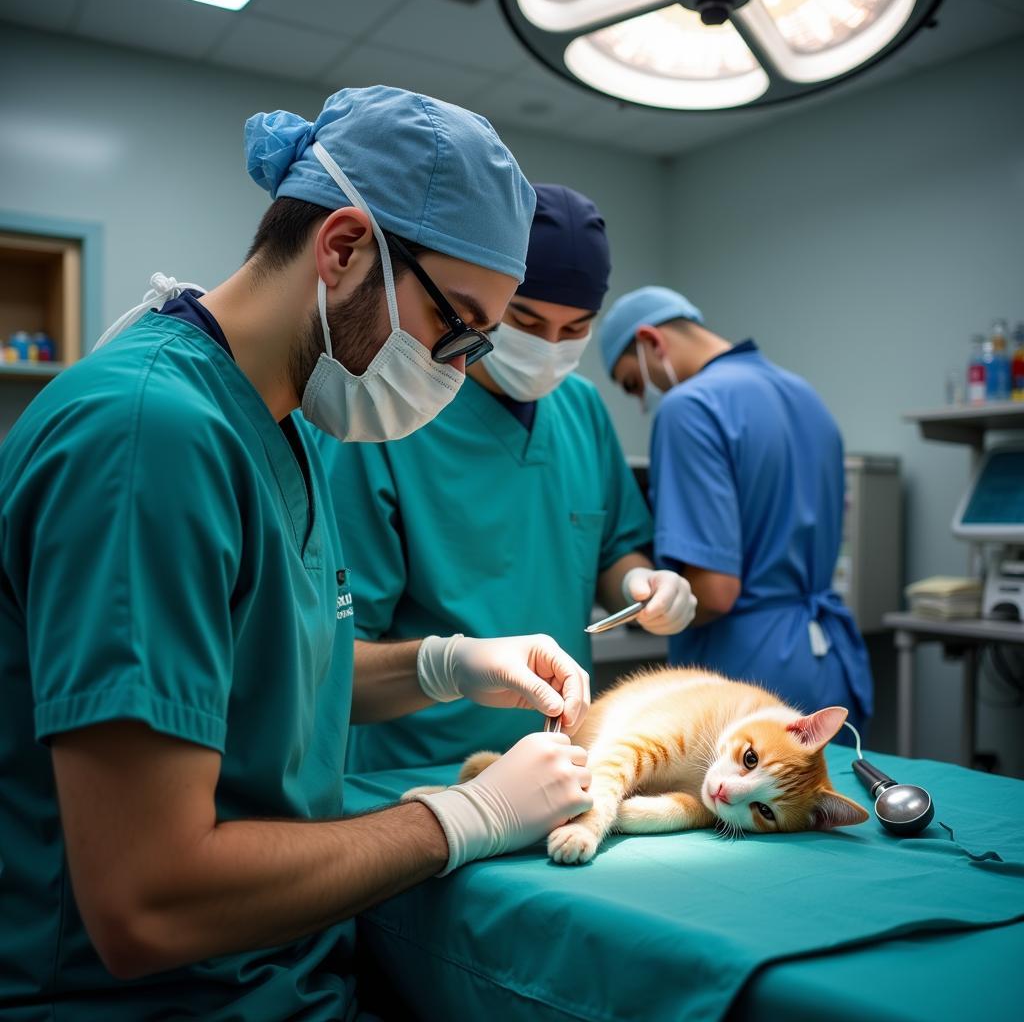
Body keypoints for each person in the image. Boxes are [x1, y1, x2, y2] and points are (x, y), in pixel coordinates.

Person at [0, 87, 595, 1021]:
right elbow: (146, 899)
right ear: (345, 247)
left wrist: (447, 665)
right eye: (456, 327)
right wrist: (460, 819)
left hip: (281, 976)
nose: (460, 369)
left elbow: (268, 672)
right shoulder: (149, 437)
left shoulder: (284, 417)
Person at [321, 184, 697, 773]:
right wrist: (450, 667)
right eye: (526, 319)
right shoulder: (390, 413)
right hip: (418, 772)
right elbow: (333, 661)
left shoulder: (581, 408)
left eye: (575, 330)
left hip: (562, 761)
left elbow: (612, 548)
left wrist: (640, 584)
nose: (549, 347)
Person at [599, 285, 873, 733]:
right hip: (826, 662)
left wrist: (654, 604)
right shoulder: (804, 395)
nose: (639, 399)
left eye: (632, 383)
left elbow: (714, 591)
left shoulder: (689, 409)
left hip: (746, 677)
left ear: (651, 341)